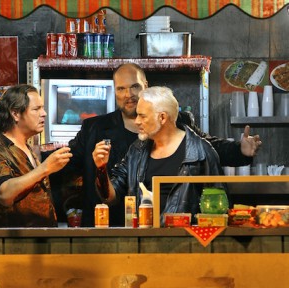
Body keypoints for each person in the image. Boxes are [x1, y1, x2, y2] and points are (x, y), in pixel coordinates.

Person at [66, 63, 262, 227]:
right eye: (121, 89)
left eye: (135, 87)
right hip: (115, 226)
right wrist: (40, 169)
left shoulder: (184, 129)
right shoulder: (99, 130)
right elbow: (67, 163)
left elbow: (208, 149)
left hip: (177, 235)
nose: (129, 94)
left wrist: (240, 149)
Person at [92, 86, 227, 226]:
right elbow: (110, 197)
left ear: (162, 117)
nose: (137, 121)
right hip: (145, 239)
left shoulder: (201, 152)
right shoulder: (136, 150)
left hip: (186, 241)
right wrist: (101, 168)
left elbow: (220, 210)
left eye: (142, 116)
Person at [0, 84, 72, 227]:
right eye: (36, 109)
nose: (44, 113)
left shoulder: (27, 148)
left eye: (43, 108)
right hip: (12, 245)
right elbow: (5, 195)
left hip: (39, 242)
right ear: (15, 113)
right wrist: (45, 168)